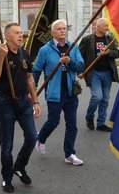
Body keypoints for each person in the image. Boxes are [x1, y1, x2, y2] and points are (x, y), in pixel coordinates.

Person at [0, 22, 41, 194]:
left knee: (32, 137)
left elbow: (29, 79)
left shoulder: (24, 53)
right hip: (6, 104)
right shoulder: (0, 52)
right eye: (17, 33)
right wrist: (0, 58)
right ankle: (7, 178)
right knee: (7, 145)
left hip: (23, 103)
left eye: (21, 32)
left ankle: (19, 166)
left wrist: (35, 102)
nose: (21, 35)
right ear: (7, 36)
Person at [33, 20, 85, 166]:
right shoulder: (45, 50)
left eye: (64, 28)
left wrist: (70, 62)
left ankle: (69, 154)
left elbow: (81, 66)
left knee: (72, 124)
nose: (63, 31)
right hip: (54, 93)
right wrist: (33, 92)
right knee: (53, 121)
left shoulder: (72, 48)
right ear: (52, 32)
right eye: (59, 29)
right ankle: (41, 139)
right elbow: (36, 71)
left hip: (70, 92)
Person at [78, 18, 119, 132]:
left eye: (107, 26)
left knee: (105, 99)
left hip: (107, 73)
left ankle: (101, 123)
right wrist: (79, 71)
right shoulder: (87, 39)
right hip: (94, 73)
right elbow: (79, 56)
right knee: (97, 97)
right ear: (98, 26)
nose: (107, 28)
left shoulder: (110, 39)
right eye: (105, 26)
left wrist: (108, 52)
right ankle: (89, 116)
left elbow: (117, 53)